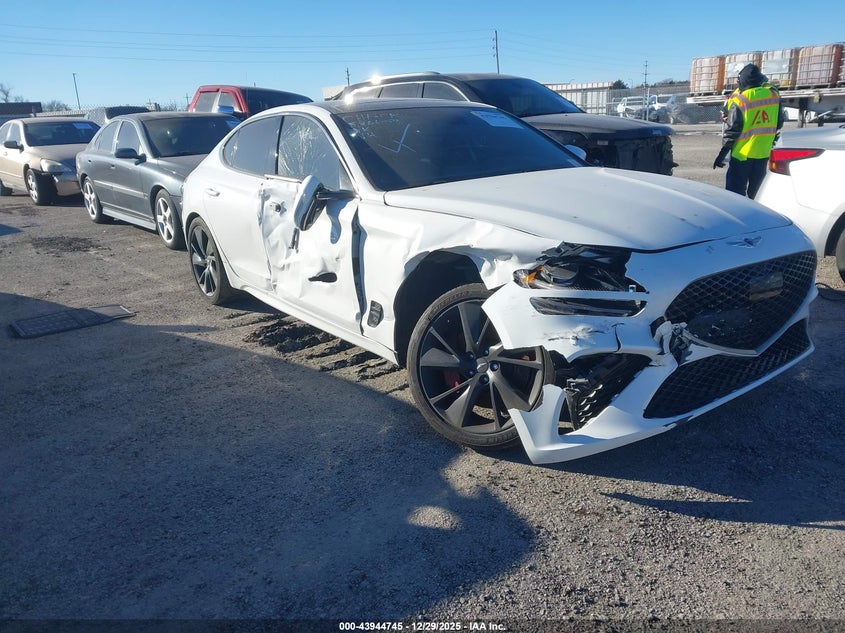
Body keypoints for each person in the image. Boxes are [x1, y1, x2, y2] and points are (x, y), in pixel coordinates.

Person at [713, 63, 784, 199]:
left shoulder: (741, 99)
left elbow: (732, 131)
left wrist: (721, 155)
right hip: (763, 152)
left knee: (735, 195)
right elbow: (779, 122)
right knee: (757, 194)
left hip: (742, 154)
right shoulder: (773, 94)